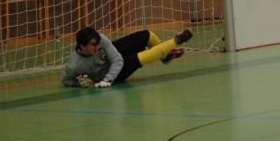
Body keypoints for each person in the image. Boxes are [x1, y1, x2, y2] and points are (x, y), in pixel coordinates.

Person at [61, 27, 193, 87]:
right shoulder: (73, 66)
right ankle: (176, 40)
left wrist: (107, 79)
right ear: (82, 46)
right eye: (93, 45)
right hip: (115, 73)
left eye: (98, 43)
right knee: (139, 58)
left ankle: (165, 56)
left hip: (111, 68)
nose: (98, 46)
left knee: (146, 35)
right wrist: (78, 83)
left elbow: (117, 59)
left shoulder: (100, 40)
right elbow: (65, 80)